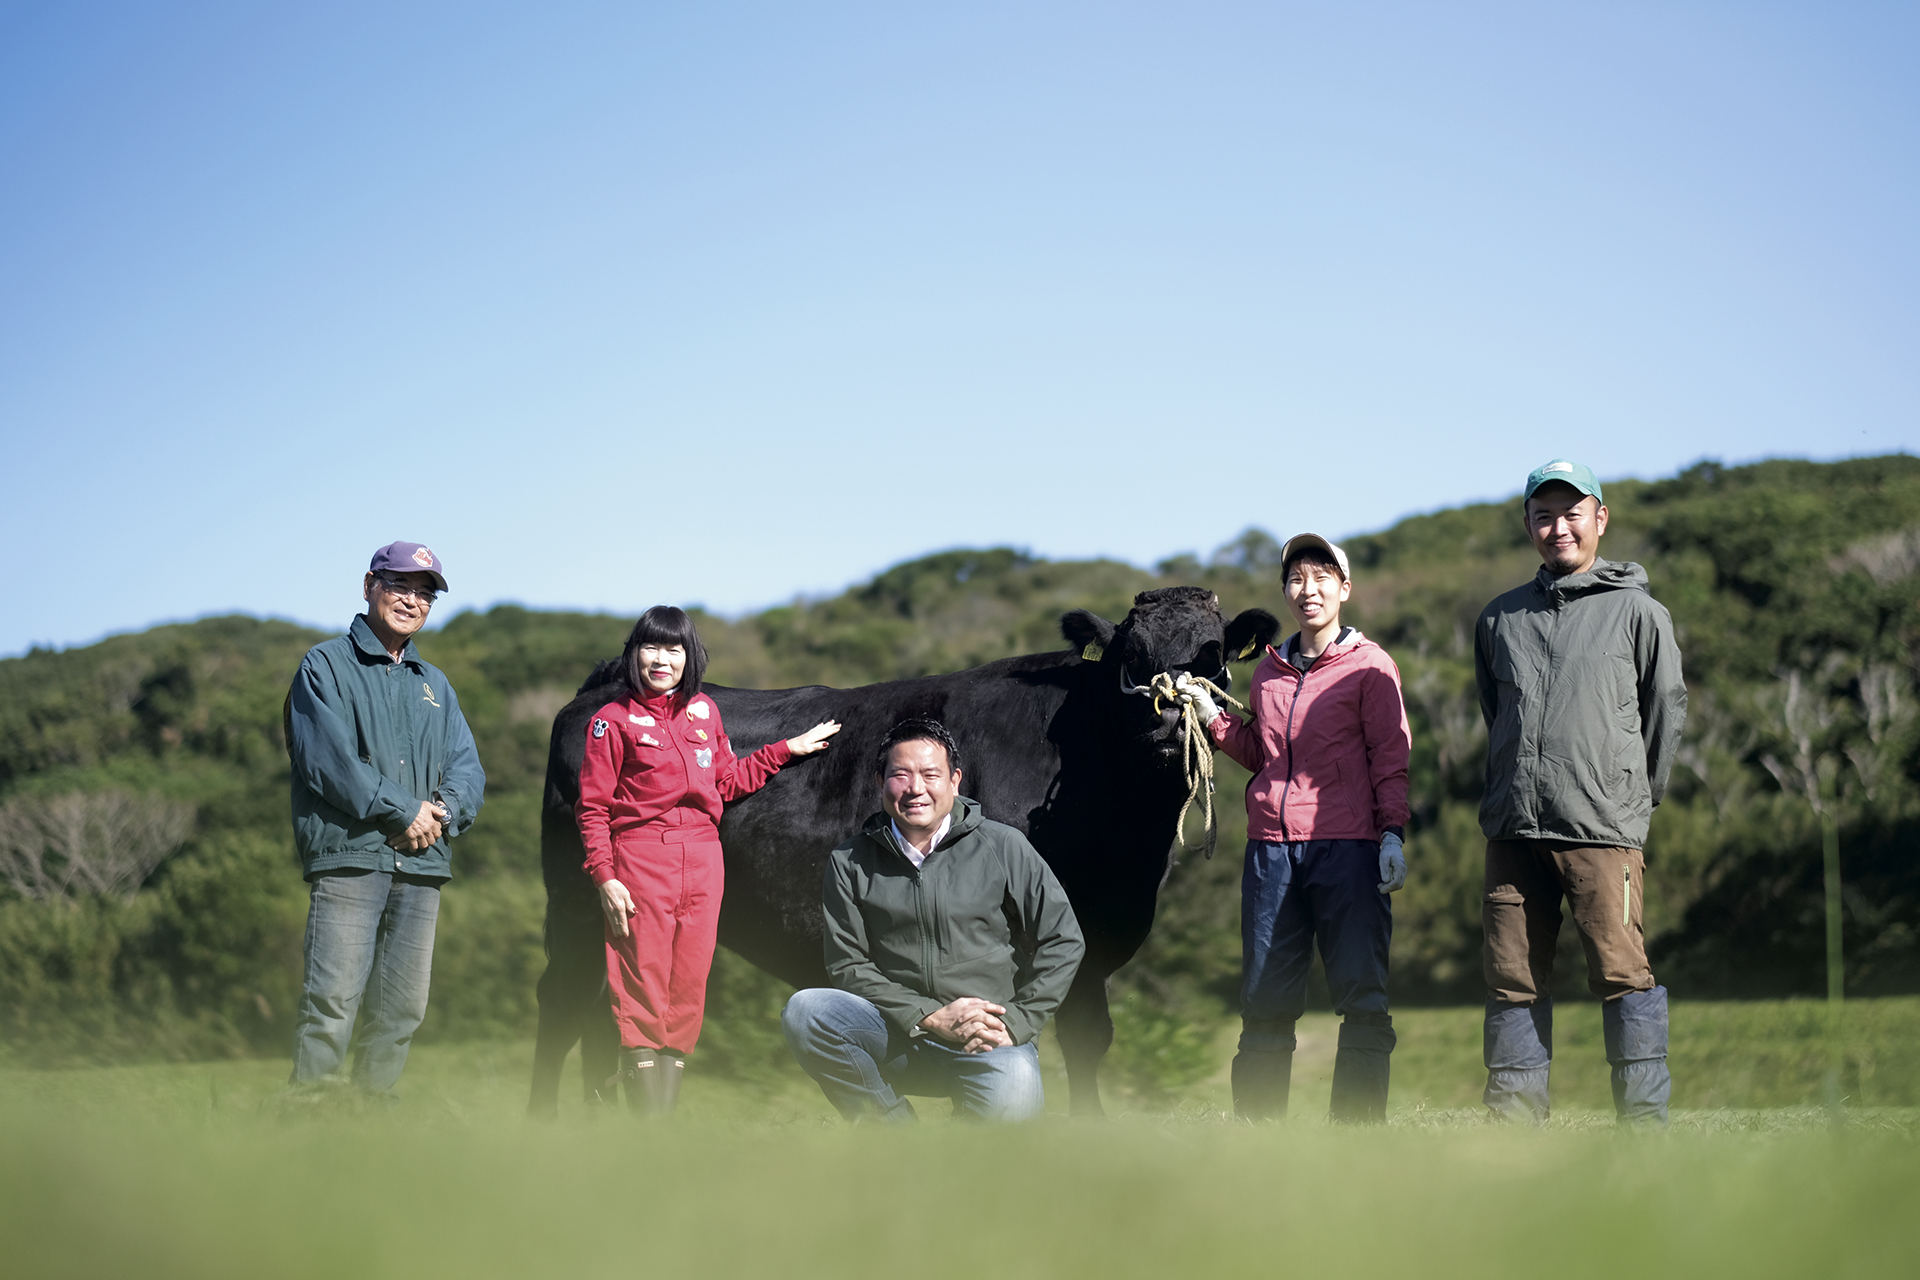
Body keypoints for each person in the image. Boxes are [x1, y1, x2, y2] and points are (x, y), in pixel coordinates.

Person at [1474, 460, 1686, 1126]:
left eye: (1572, 513)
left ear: (1600, 519)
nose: (1557, 527)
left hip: (1603, 829)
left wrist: (1630, 801)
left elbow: (1666, 712)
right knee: (1512, 982)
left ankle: (1644, 1129)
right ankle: (1513, 1133)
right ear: (1528, 524)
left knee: (1624, 974)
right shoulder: (1499, 619)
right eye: (1543, 514)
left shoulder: (1639, 613)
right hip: (1514, 831)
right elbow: (1494, 713)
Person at [1180, 533, 1412, 1123]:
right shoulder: (1268, 670)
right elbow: (1263, 752)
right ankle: (1259, 1130)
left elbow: (1390, 756)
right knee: (1264, 997)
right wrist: (1214, 720)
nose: (1307, 590)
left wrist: (1392, 834)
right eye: (1295, 579)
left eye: (1320, 577)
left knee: (1361, 993)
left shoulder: (1371, 666)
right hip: (1271, 852)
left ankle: (1356, 1130)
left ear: (1345, 588)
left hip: (1350, 847)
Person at [576, 605, 840, 1115]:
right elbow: (592, 809)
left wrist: (787, 749)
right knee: (642, 985)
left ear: (688, 656)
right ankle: (647, 1128)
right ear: (635, 654)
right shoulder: (611, 722)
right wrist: (605, 878)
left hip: (703, 859)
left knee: (686, 990)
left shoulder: (704, 713)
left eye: (673, 649)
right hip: (641, 858)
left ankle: (665, 1127)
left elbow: (726, 782)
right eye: (650, 647)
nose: (661, 659)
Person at [781, 718, 1085, 1122]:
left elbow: (1063, 939)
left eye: (930, 774)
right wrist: (927, 1015)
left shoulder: (1003, 845)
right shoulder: (849, 861)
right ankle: (892, 1136)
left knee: (1012, 1117)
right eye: (900, 775)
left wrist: (1018, 1022)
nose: (915, 788)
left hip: (989, 1037)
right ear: (880, 780)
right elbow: (847, 964)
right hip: (900, 1031)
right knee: (807, 1010)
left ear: (955, 780)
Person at [285, 542, 486, 1096]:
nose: (412, 600)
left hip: (422, 865)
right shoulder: (324, 664)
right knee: (331, 1005)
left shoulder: (435, 683)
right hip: (350, 857)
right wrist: (406, 811)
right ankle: (308, 1127)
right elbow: (327, 762)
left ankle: (373, 1139)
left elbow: (467, 769)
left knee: (401, 1012)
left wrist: (440, 814)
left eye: (425, 593)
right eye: (400, 585)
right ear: (369, 584)